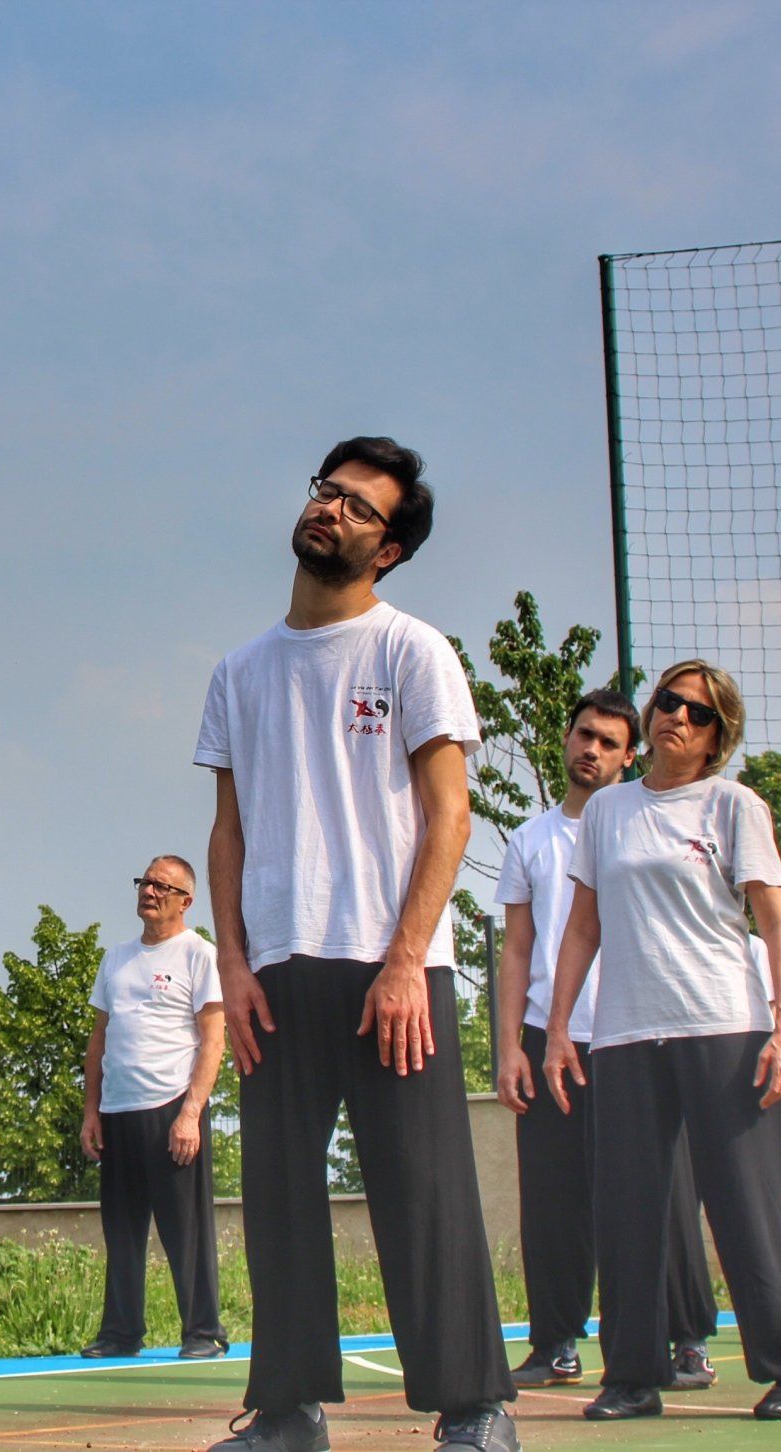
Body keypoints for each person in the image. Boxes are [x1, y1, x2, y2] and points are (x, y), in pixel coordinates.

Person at [195, 439, 517, 1452]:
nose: (331, 510)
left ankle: (474, 1406)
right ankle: (288, 1410)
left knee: (424, 1190)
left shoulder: (412, 650)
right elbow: (229, 832)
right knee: (280, 1195)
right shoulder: (240, 671)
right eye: (326, 491)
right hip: (277, 973)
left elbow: (449, 817)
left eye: (358, 506)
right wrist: (235, 966)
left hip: (395, 964)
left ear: (390, 550)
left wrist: (406, 959)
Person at [544, 661, 781, 1422]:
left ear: (717, 736)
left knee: (748, 1206)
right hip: (626, 1034)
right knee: (628, 1210)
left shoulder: (736, 806)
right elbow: (582, 927)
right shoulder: (608, 812)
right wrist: (560, 1033)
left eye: (696, 713)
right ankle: (632, 1377)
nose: (676, 717)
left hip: (727, 1028)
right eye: (668, 702)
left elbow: (777, 926)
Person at [493, 689, 718, 1391]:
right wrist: (509, 1049)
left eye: (609, 743)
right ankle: (556, 1341)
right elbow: (517, 952)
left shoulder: (639, 828)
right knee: (553, 1199)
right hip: (547, 1041)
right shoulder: (529, 841)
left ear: (629, 757)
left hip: (636, 1032)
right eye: (584, 734)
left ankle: (685, 1339)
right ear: (568, 739)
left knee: (667, 1195)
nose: (591, 749)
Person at [79, 856, 229, 1360]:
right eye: (145, 881)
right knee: (121, 1232)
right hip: (118, 1112)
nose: (149, 891)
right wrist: (91, 1112)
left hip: (172, 1110)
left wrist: (191, 1113)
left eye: (162, 885)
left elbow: (213, 1040)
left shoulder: (199, 955)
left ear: (185, 900)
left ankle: (203, 1331)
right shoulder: (115, 959)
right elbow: (98, 1040)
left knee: (185, 1231)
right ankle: (121, 1333)